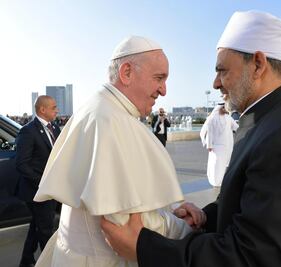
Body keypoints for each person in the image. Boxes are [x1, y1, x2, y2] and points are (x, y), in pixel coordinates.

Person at [101, 11, 281, 266]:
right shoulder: (276, 118)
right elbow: (257, 199)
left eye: (222, 70)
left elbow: (250, 256)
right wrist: (207, 216)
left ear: (258, 64)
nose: (215, 83)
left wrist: (144, 247)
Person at [33, 36, 192, 267]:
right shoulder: (110, 121)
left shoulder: (98, 109)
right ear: (126, 72)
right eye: (159, 78)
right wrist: (185, 227)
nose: (164, 90)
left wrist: (172, 209)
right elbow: (128, 225)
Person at [16, 96, 60, 267]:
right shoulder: (28, 131)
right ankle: (50, 263)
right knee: (45, 230)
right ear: (43, 109)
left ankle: (26, 261)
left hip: (50, 188)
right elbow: (22, 164)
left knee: (37, 226)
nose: (57, 110)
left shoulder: (54, 128)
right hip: (37, 190)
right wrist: (43, 184)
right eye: (54, 107)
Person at [200, 103, 238, 186]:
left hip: (227, 145)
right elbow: (210, 133)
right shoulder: (212, 118)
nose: (225, 109)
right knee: (216, 163)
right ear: (219, 108)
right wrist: (209, 145)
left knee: (224, 163)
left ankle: (221, 180)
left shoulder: (228, 118)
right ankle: (215, 181)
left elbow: (236, 127)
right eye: (223, 108)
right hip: (216, 146)